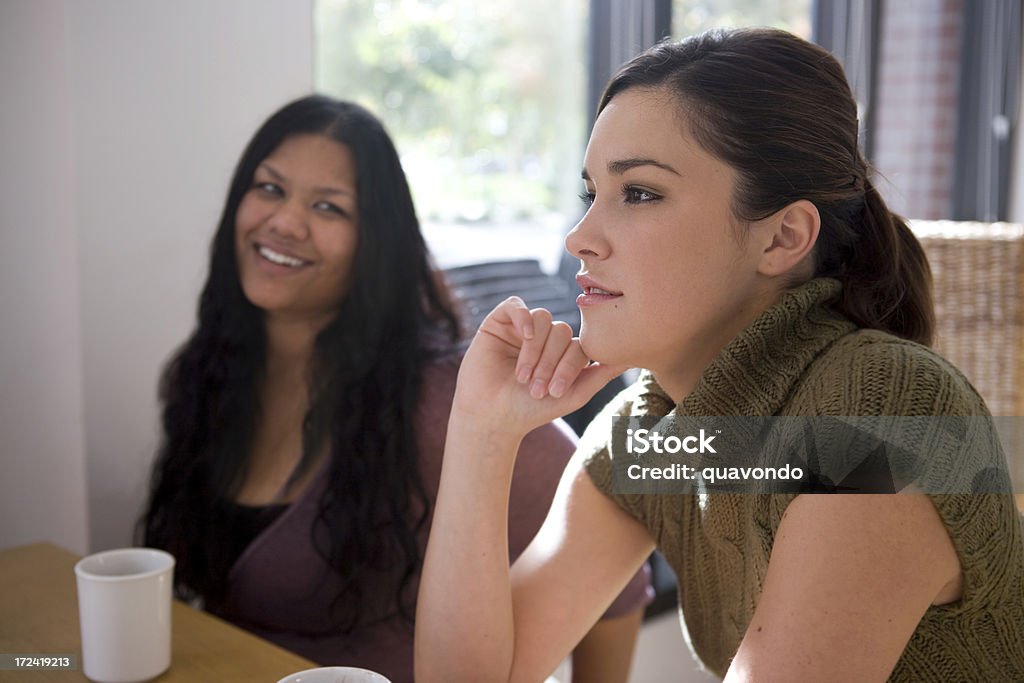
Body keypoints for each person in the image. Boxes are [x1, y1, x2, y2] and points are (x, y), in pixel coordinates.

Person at [416, 28, 1024, 682]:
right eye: (592, 193)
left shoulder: (877, 408)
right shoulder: (653, 441)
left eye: (640, 192)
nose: (579, 237)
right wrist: (481, 429)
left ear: (782, 237)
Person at [138, 95, 650, 683]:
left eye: (328, 207)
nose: (284, 221)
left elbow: (618, 575)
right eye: (270, 189)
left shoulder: (437, 398)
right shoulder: (203, 375)